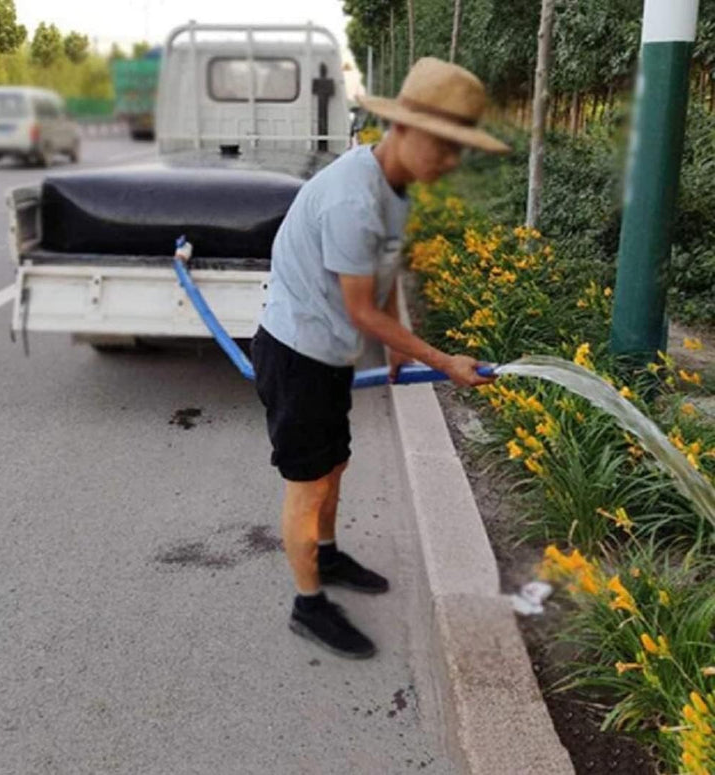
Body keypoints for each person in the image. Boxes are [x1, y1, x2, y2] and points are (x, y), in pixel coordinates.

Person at [250, 57, 509, 659]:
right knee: (308, 485)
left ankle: (329, 554)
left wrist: (396, 351)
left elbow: (383, 270)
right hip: (297, 354)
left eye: (457, 150)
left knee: (334, 466)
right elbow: (364, 310)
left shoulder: (393, 187)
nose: (449, 162)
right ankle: (307, 605)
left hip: (330, 353)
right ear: (405, 129)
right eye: (444, 147)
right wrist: (442, 360)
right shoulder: (352, 200)